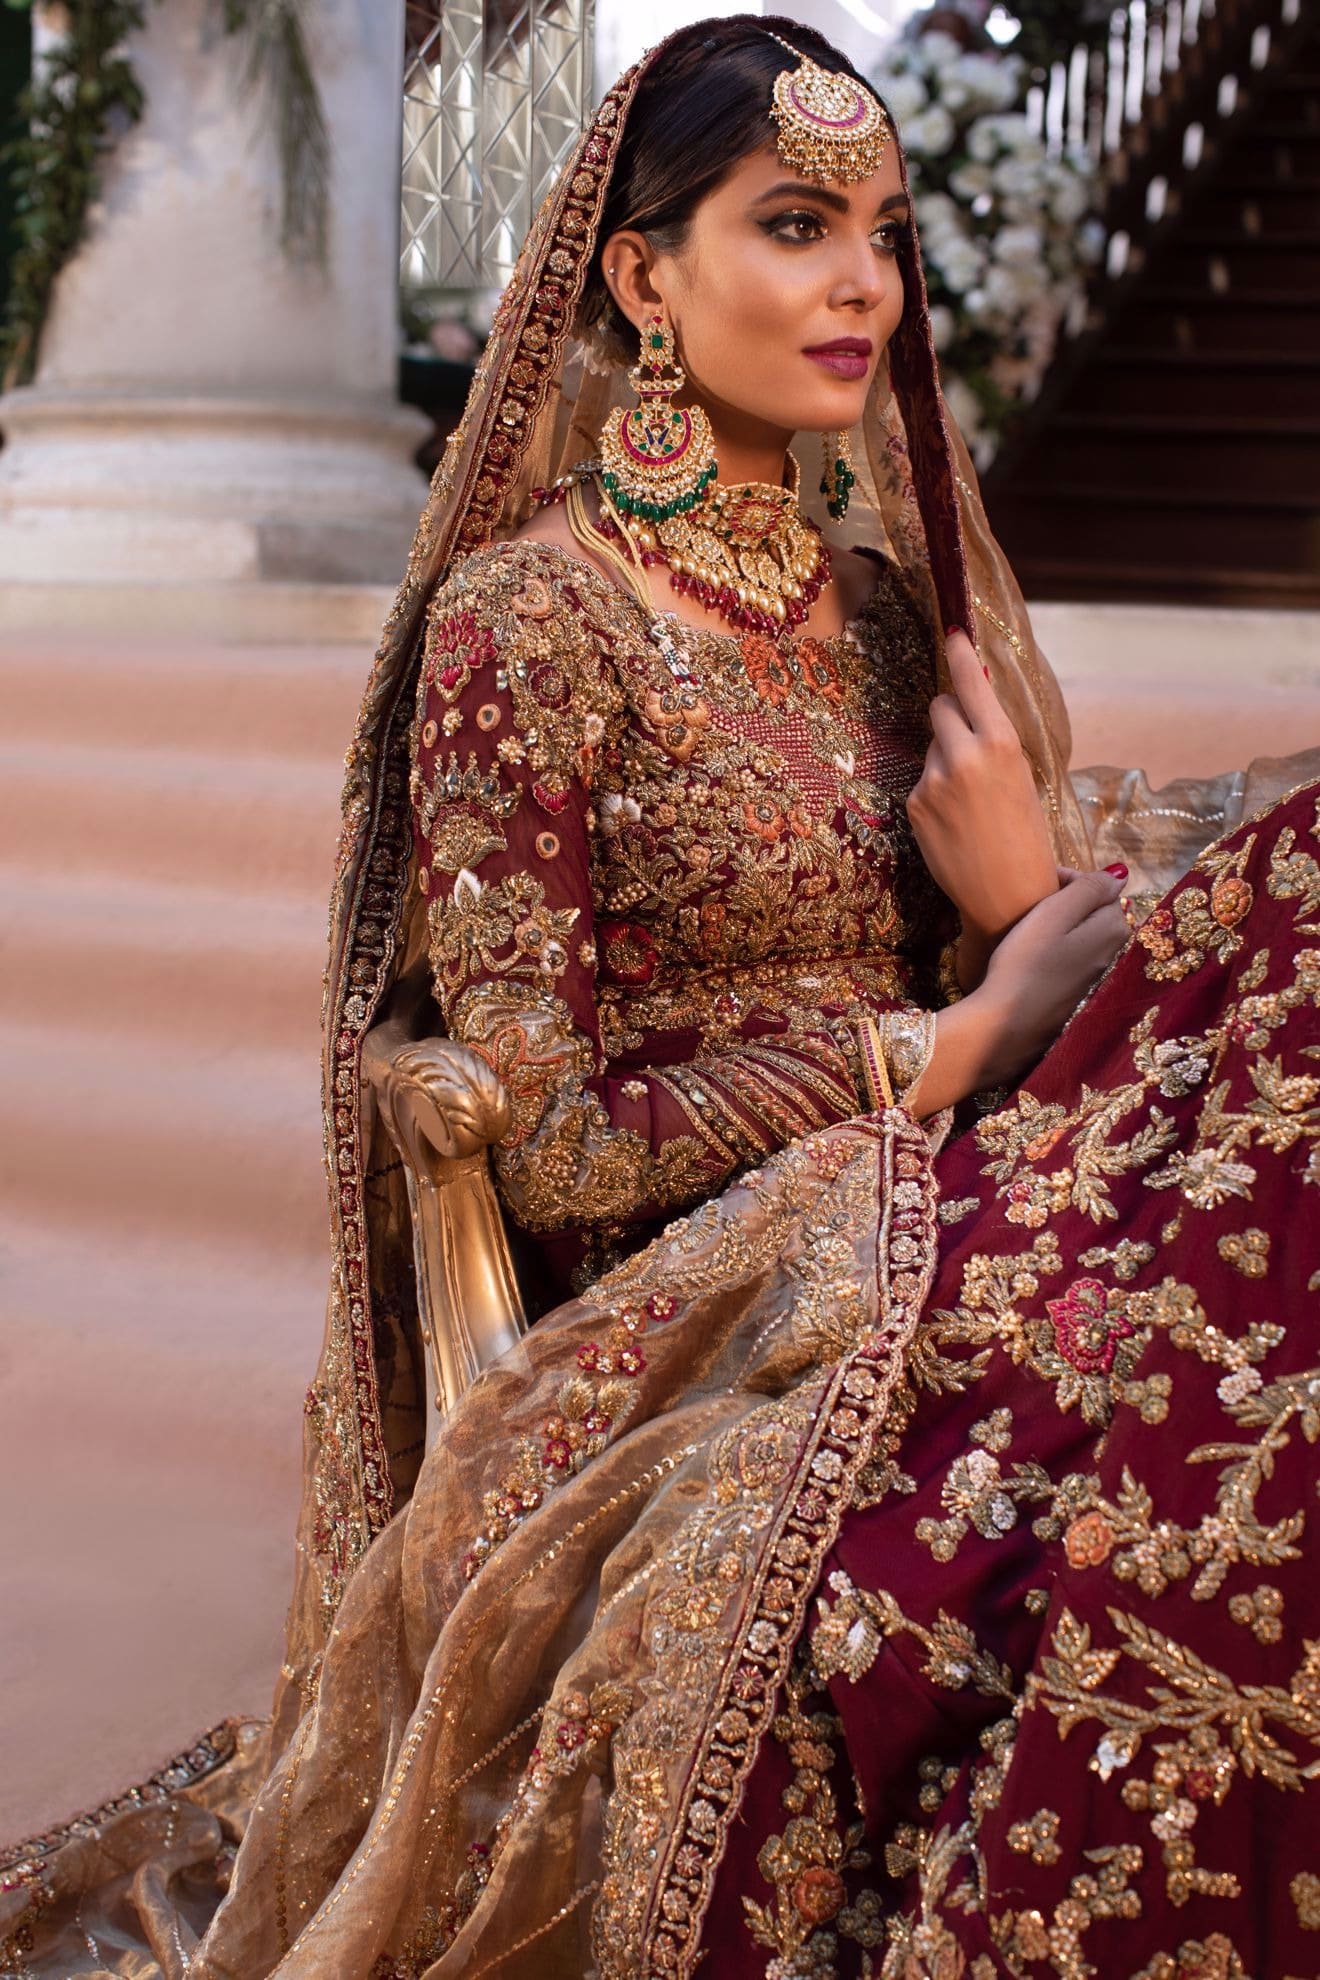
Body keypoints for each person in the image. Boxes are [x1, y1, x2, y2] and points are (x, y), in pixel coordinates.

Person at [3, 17, 1318, 1977]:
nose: (865, 279)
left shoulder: (887, 608)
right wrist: (943, 1042)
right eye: (795, 222)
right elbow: (537, 1145)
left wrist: (1037, 907)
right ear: (639, 273)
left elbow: (1025, 911)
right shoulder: (527, 627)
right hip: (723, 1284)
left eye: (881, 227)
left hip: (978, 1180)